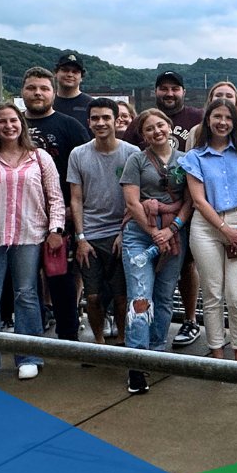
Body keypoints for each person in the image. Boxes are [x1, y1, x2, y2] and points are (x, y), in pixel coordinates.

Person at [0, 103, 64, 382]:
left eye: (13, 121)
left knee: (27, 295)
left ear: (22, 124)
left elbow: (55, 197)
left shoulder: (39, 158)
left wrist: (56, 229)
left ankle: (29, 355)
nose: (9, 126)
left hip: (29, 236)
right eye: (2, 122)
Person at [180, 99, 237, 361]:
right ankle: (216, 348)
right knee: (212, 291)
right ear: (208, 120)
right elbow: (199, 200)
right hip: (207, 226)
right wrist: (226, 230)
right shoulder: (194, 157)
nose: (222, 122)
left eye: (227, 118)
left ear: (234, 123)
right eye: (217, 117)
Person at [119, 108, 194, 393]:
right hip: (140, 233)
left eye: (160, 125)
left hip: (174, 233)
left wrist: (171, 229)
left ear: (169, 126)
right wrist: (153, 233)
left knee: (164, 296)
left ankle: (157, 351)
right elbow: (132, 201)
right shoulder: (136, 160)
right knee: (140, 296)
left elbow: (189, 200)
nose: (156, 131)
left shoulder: (185, 161)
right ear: (142, 134)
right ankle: (136, 360)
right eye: (148, 128)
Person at [21, 66, 90, 341]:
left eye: (44, 88)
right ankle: (32, 331)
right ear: (22, 91)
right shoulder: (12, 123)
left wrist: (76, 210)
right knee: (26, 280)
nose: (38, 93)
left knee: (62, 277)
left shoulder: (70, 126)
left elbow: (84, 172)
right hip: (21, 215)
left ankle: (68, 335)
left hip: (61, 216)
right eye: (32, 88)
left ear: (53, 92)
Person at [67, 99, 140, 347]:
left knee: (122, 296)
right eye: (95, 118)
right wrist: (81, 238)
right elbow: (76, 199)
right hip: (90, 236)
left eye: (106, 117)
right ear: (88, 122)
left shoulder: (131, 153)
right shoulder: (78, 154)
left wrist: (125, 231)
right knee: (93, 296)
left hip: (121, 234)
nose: (101, 123)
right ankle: (98, 343)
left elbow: (136, 198)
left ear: (116, 120)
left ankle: (121, 341)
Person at [150, 70, 204, 348]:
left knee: (187, 264)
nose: (169, 94)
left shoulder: (197, 118)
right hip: (154, 209)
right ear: (156, 91)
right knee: (157, 265)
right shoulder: (144, 119)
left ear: (183, 91)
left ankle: (191, 319)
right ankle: (154, 321)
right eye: (164, 89)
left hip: (191, 202)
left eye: (175, 89)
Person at [52, 52, 94, 131]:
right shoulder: (47, 102)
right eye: (65, 70)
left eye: (75, 72)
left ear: (81, 77)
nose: (70, 75)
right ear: (56, 73)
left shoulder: (91, 104)